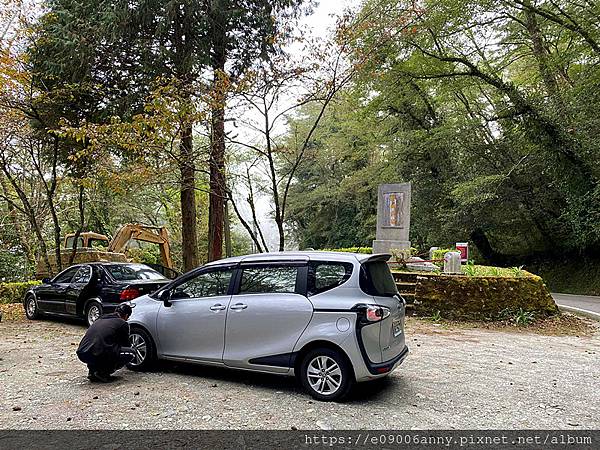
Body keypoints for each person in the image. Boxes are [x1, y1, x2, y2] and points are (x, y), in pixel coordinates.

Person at [76, 303, 136, 382]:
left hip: (83, 352)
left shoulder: (100, 319)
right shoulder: (122, 323)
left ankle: (93, 371)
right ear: (126, 315)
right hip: (98, 353)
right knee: (131, 353)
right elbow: (126, 344)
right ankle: (103, 373)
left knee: (100, 348)